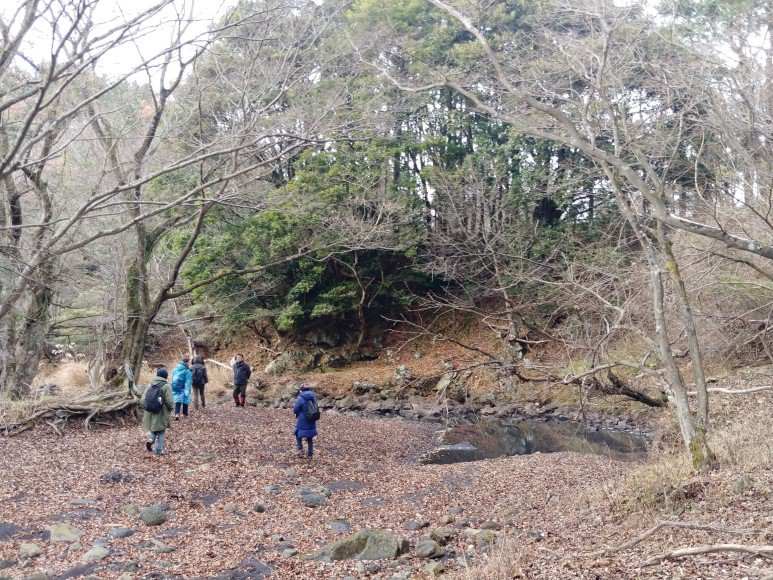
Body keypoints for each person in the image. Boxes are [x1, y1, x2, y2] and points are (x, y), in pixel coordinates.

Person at [142, 368, 174, 455]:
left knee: (155, 428)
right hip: (161, 412)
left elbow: (142, 400)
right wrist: (170, 409)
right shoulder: (166, 386)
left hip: (149, 412)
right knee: (161, 430)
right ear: (166, 376)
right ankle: (159, 449)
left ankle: (151, 439)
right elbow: (170, 401)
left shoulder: (150, 385)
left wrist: (147, 408)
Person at [293, 384, 318, 459]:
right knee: (309, 436)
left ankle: (300, 449)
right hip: (312, 418)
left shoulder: (300, 397)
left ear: (301, 390)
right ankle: (310, 454)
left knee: (297, 433)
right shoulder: (313, 396)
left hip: (303, 419)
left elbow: (295, 410)